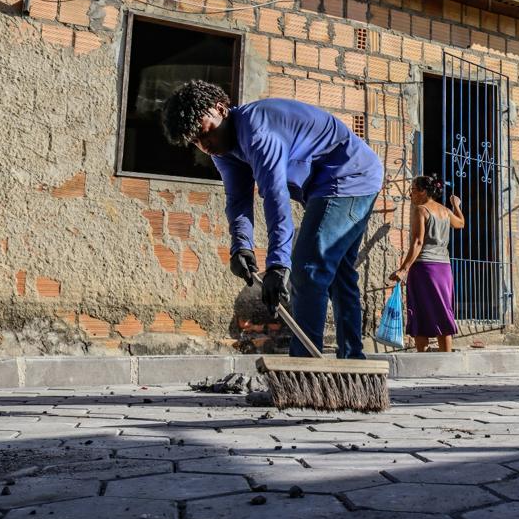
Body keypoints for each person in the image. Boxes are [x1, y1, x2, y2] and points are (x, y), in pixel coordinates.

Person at [161, 80, 383, 359]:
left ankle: (306, 369)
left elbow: (275, 196)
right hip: (326, 186)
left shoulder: (256, 130)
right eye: (196, 142)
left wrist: (278, 264)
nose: (205, 146)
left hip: (350, 176)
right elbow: (238, 200)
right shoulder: (224, 149)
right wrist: (241, 246)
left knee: (308, 267)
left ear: (221, 110)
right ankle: (353, 364)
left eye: (206, 134)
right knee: (339, 274)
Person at [389, 175, 464, 352]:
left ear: (423, 192)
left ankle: (421, 355)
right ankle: (446, 358)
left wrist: (403, 269)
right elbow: (460, 223)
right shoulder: (445, 211)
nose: (411, 195)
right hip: (444, 269)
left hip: (424, 268)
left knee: (419, 310)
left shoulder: (421, 210)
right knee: (443, 311)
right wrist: (456, 206)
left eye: (413, 190)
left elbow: (417, 242)